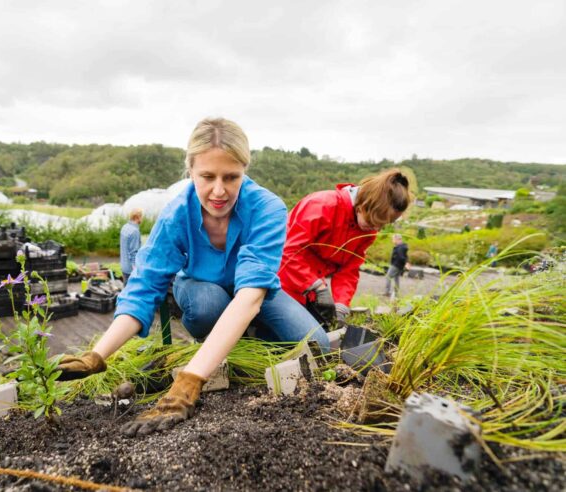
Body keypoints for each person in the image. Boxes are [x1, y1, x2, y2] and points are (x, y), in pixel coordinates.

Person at [56, 117, 326, 436]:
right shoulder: (176, 214)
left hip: (253, 292)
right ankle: (214, 346)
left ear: (245, 170)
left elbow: (252, 295)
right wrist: (96, 356)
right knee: (209, 303)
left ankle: (233, 343)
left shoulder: (267, 208)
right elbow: (143, 288)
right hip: (200, 289)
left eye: (231, 177)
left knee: (317, 345)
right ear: (191, 170)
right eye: (207, 176)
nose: (219, 190)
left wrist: (189, 381)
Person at [279, 169, 412, 326]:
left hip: (308, 289)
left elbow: (349, 269)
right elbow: (288, 250)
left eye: (383, 224)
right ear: (365, 204)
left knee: (319, 337)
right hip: (279, 282)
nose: (376, 228)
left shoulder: (367, 231)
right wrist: (316, 287)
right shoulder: (322, 205)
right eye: (374, 221)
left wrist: (341, 305)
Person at [119, 208, 143, 285]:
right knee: (131, 294)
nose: (142, 219)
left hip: (123, 266)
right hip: (130, 269)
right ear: (137, 217)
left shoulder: (125, 227)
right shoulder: (135, 231)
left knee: (125, 291)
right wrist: (135, 270)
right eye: (141, 216)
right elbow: (133, 253)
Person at [384, 234, 409, 298]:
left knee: (388, 277)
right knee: (396, 278)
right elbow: (405, 256)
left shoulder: (400, 247)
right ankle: (396, 293)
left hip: (396, 265)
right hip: (399, 265)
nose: (392, 240)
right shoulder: (402, 246)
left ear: (397, 239)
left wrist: (406, 263)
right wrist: (406, 263)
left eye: (393, 239)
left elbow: (401, 257)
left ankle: (387, 292)